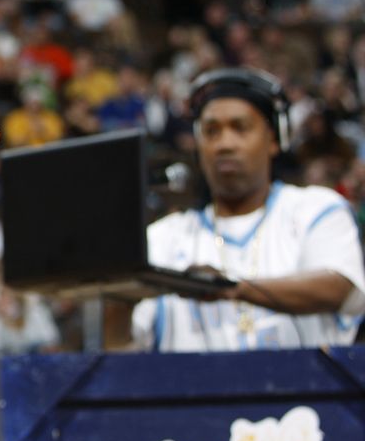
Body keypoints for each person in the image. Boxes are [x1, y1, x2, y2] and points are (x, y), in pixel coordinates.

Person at [125, 67, 365, 351]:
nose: (225, 144)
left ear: (275, 140)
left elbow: (338, 287)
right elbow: (124, 347)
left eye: (240, 128)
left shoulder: (315, 209)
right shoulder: (162, 237)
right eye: (211, 131)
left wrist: (234, 289)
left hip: (307, 394)